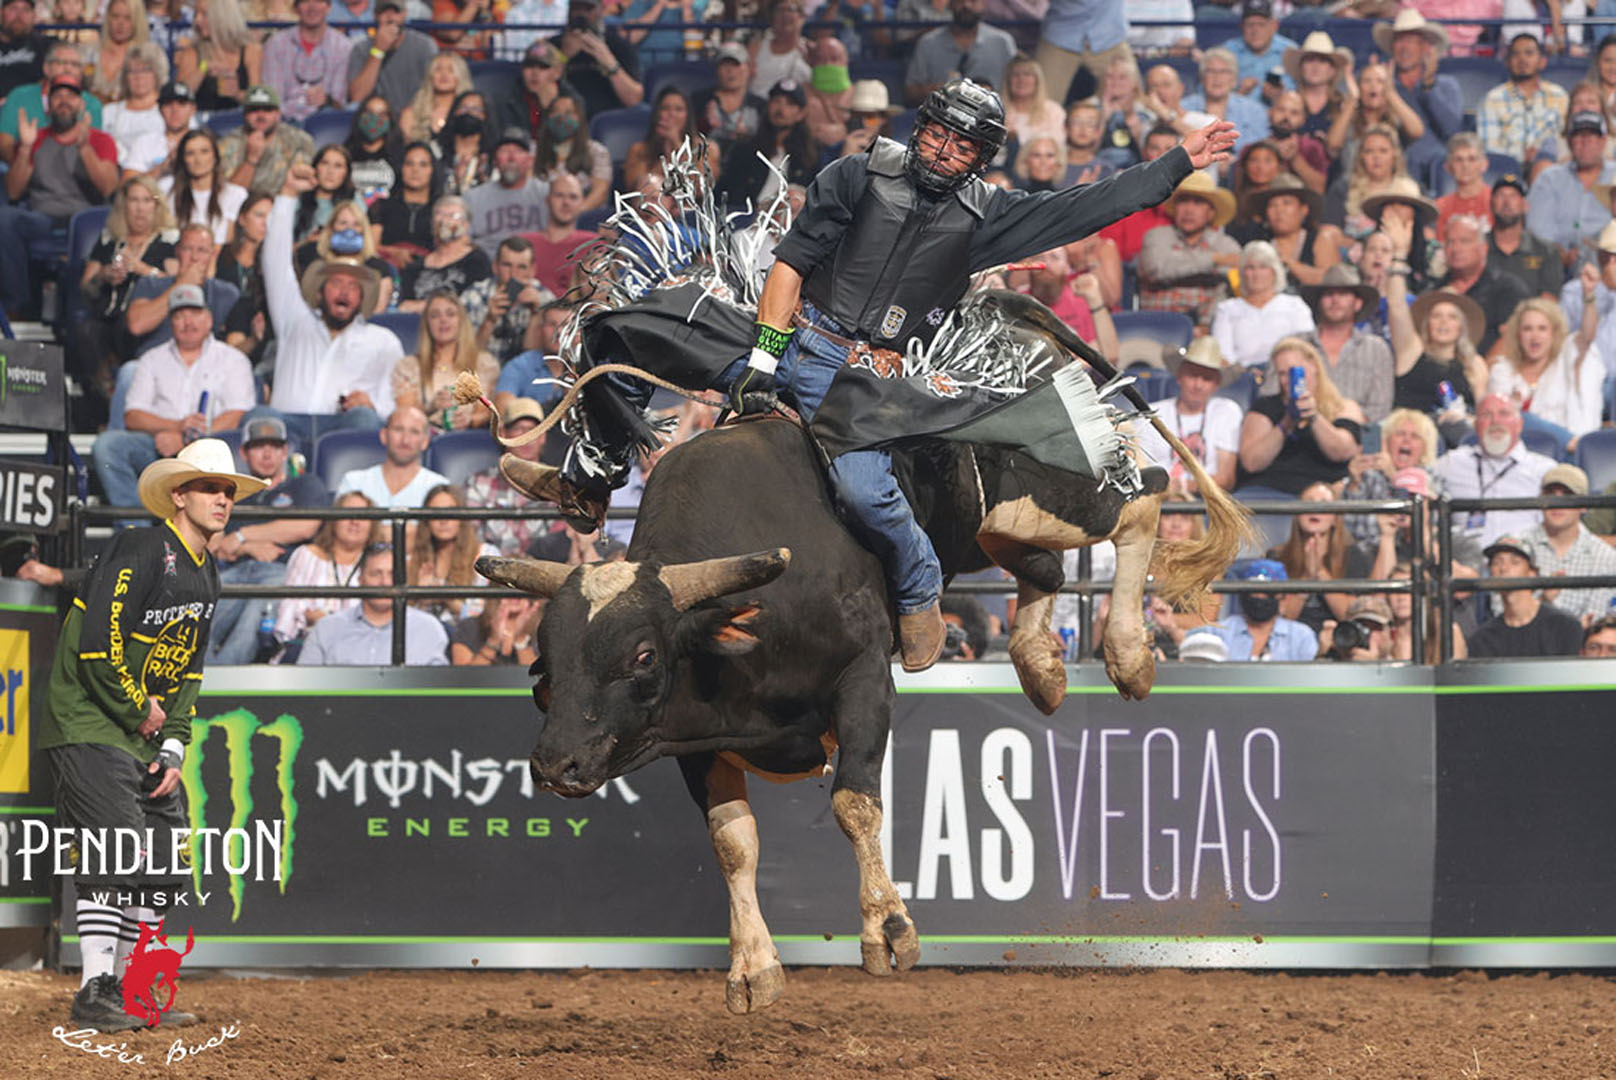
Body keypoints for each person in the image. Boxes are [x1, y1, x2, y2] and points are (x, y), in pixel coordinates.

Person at [542, 79, 1236, 672]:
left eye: (963, 147)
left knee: (866, 492)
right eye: (938, 135)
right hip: (787, 335)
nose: (944, 151)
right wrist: (762, 358)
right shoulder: (855, 174)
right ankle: (593, 474)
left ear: (981, 159)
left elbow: (1088, 205)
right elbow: (790, 266)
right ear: (920, 129)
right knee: (626, 328)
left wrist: (1176, 162)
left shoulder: (988, 217)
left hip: (863, 378)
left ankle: (920, 587)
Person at [41, 438, 262, 1033]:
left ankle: (133, 987)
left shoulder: (206, 574)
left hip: (140, 731)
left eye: (228, 491)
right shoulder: (141, 547)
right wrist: (140, 710)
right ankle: (95, 991)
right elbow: (98, 646)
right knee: (116, 846)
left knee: (163, 860)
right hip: (88, 718)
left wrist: (174, 745)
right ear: (179, 496)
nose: (222, 499)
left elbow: (188, 673)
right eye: (210, 488)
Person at [252, 161, 400, 449]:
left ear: (362, 298)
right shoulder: (294, 318)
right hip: (287, 427)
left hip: (342, 431)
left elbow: (396, 402)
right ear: (319, 292)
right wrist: (288, 194)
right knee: (259, 417)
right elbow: (275, 261)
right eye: (335, 283)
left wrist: (372, 405)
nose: (343, 292)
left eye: (353, 287)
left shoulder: (383, 341)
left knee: (366, 420)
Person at [93, 283, 256, 508]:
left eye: (195, 314)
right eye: (180, 316)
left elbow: (237, 414)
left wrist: (187, 440)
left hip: (212, 449)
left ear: (209, 319)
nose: (188, 322)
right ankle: (134, 522)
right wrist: (176, 427)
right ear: (171, 322)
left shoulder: (233, 360)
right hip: (159, 446)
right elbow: (133, 416)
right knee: (107, 446)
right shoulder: (151, 359)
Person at [204, 415, 330, 665]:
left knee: (249, 626)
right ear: (244, 452)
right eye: (258, 446)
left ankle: (216, 683)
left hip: (281, 572)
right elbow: (214, 544)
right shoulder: (232, 491)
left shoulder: (304, 483)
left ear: (285, 452)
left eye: (274, 446)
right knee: (201, 621)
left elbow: (305, 526)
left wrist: (240, 536)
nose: (267, 454)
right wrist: (250, 548)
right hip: (232, 572)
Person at [0, 72, 120, 321]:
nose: (64, 101)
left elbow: (109, 188)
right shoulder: (36, 138)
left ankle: (82, 311)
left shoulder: (100, 140)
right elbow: (13, 191)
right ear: (48, 105)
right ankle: (17, 306)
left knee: (94, 225)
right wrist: (25, 148)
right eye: (58, 96)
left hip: (85, 219)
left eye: (71, 96)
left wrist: (85, 148)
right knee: (4, 218)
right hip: (43, 218)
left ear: (81, 104)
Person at [70, 175, 180, 423]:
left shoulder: (168, 241)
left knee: (129, 326)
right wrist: (105, 275)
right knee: (87, 331)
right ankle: (108, 395)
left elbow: (177, 283)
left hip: (144, 320)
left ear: (156, 205)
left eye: (146, 201)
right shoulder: (109, 239)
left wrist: (144, 270)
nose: (140, 208)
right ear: (124, 205)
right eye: (134, 201)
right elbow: (86, 284)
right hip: (108, 317)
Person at [1236, 337, 1365, 525]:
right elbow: (1251, 462)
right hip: (1269, 492)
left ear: (1314, 366)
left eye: (1294, 371)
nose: (1288, 380)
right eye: (1282, 374)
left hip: (1323, 495)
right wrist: (1286, 423)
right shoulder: (1265, 407)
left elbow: (1344, 451)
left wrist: (1314, 417)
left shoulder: (1343, 407)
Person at [1436, 394, 1558, 547]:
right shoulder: (1451, 463)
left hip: (1525, 558)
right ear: (1476, 425)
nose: (1495, 421)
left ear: (1519, 424)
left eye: (1504, 414)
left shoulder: (1545, 469)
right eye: (1486, 415)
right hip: (1464, 559)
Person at [297, 541, 449, 664]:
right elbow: (303, 688)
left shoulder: (429, 629)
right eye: (376, 574)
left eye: (392, 574)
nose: (385, 582)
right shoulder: (326, 629)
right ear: (360, 580)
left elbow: (440, 690)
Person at [1489, 293, 1604, 449]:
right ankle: (1576, 444)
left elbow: (1587, 338)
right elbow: (1498, 419)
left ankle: (1575, 444)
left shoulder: (1566, 361)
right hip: (1520, 449)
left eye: (1542, 328)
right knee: (1520, 417)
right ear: (1518, 335)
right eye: (1527, 329)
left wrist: (1589, 297)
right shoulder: (1502, 370)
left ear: (1553, 334)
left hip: (1563, 450)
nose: (1534, 336)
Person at [1134, 336, 1242, 493]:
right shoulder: (1151, 414)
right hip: (1158, 498)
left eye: (1207, 378)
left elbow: (1226, 479)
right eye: (1192, 375)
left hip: (1206, 498)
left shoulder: (1226, 411)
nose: (1198, 385)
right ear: (1179, 376)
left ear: (1216, 384)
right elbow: (1140, 473)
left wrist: (1182, 487)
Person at [273, 489, 378, 651]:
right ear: (334, 520)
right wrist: (307, 616)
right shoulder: (306, 555)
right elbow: (289, 606)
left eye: (363, 516)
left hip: (359, 649)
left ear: (372, 526)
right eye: (348, 513)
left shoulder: (377, 566)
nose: (355, 521)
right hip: (308, 643)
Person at [1137, 170, 1241, 330]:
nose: (1189, 210)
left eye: (1198, 203)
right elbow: (1157, 269)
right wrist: (1213, 259)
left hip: (1205, 328)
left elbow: (1235, 277)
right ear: (1175, 208)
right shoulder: (1157, 236)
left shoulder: (1225, 244)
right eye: (1184, 201)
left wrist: (1207, 325)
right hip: (1156, 327)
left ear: (1211, 213)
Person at [1519, 463, 1616, 621]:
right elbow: (1502, 615)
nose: (1558, 502)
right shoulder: (1518, 547)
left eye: (1567, 494)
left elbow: (1595, 620)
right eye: (1550, 493)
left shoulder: (1606, 557)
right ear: (1540, 499)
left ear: (1584, 505)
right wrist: (1543, 600)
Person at [1300, 263, 1395, 423]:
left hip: (1358, 431)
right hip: (1302, 429)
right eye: (1329, 294)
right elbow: (1272, 397)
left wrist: (1347, 427)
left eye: (1343, 294)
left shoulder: (1376, 349)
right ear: (1319, 302)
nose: (1335, 300)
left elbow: (1380, 409)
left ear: (1358, 303)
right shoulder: (1297, 345)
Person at [1376, 9, 1462, 184]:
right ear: (1392, 47)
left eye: (1410, 41)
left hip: (1437, 169)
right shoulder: (1380, 84)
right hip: (1393, 167)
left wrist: (1428, 86)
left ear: (1425, 48)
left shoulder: (1446, 85)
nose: (1404, 48)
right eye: (1399, 40)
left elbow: (1451, 130)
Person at [394, 290, 499, 430]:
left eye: (450, 314)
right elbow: (404, 415)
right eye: (435, 315)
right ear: (427, 324)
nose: (443, 320)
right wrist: (430, 407)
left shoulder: (484, 363)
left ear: (461, 320)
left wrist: (470, 420)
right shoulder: (409, 366)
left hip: (468, 436)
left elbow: (489, 412)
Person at [1467, 534, 1584, 657]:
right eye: (1496, 562)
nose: (1504, 568)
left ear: (1532, 573)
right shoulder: (1482, 639)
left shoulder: (1564, 627)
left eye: (1514, 562)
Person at [1525, 110, 1613, 272]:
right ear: (1569, 142)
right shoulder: (1549, 179)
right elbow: (1538, 230)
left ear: (1603, 141)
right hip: (1557, 267)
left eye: (1591, 137)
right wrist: (1558, 254)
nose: (1584, 143)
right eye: (1578, 136)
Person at [1432, 214, 1532, 355]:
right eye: (1450, 242)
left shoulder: (1508, 289)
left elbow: (1511, 337)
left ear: (1483, 248)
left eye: (1464, 241)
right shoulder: (1434, 293)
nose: (1455, 249)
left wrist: (1481, 366)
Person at [1210, 240, 1316, 374]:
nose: (1256, 274)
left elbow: (1305, 347)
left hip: (1284, 374)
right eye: (1250, 268)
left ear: (1275, 271)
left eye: (1263, 267)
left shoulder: (1295, 306)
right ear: (1242, 273)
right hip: (1240, 377)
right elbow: (1223, 354)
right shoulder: (1227, 309)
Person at [464, 397, 552, 556]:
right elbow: (468, 538)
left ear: (543, 437)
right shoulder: (478, 483)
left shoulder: (557, 484)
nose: (526, 437)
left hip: (544, 566)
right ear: (503, 434)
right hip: (490, 567)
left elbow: (563, 539)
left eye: (533, 430)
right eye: (518, 429)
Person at [0, 40, 105, 168]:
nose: (68, 69)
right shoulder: (20, 96)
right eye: (61, 63)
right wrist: (26, 168)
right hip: (23, 168)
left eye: (75, 65)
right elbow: (4, 143)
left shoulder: (92, 104)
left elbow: (94, 149)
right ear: (46, 68)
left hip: (73, 172)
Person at [717, 78, 819, 208]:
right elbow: (726, 194)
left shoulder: (809, 158)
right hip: (746, 216)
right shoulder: (744, 150)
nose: (781, 109)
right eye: (777, 101)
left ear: (801, 114)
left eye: (790, 104)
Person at [1268, 480, 1354, 634]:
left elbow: (1349, 615)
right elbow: (1282, 618)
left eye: (1323, 503)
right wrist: (1307, 577)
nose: (1315, 508)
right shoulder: (1276, 557)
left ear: (1335, 518)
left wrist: (1320, 572)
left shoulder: (1353, 555)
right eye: (1309, 502)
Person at [1478, 32, 1569, 176]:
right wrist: (1522, 155)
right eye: (1516, 54)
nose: (1522, 59)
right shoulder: (1493, 99)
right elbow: (1489, 149)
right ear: (1507, 62)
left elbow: (1568, 140)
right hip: (1508, 173)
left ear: (1542, 61)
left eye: (1529, 53)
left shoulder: (1559, 95)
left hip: (1553, 170)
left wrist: (1543, 156)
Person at [408, 482, 495, 626]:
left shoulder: (485, 555)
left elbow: (485, 619)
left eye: (450, 511)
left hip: (466, 636)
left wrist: (449, 600)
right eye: (436, 513)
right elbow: (404, 620)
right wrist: (422, 600)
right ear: (427, 520)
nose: (443, 520)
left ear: (462, 518)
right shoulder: (413, 559)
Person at [1239, 173, 1343, 289]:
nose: (1279, 210)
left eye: (1286, 203)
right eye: (1272, 205)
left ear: (1303, 210)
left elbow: (1332, 281)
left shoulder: (1320, 239)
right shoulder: (1259, 242)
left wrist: (1290, 263)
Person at [905, 0, 1016, 107]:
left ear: (984, 3)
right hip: (943, 115)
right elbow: (911, 92)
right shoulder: (928, 43)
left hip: (994, 115)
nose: (966, 5)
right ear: (950, 3)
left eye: (973, 0)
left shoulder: (1003, 42)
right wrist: (943, 90)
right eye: (959, 0)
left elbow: (1019, 87)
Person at [335, 404, 449, 507]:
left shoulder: (439, 488)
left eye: (414, 432)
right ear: (384, 435)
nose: (405, 440)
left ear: (425, 442)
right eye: (398, 430)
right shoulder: (354, 483)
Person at [1211, 558, 1319, 661]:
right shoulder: (1218, 633)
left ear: (1281, 596)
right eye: (1254, 592)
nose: (1259, 597)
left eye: (1267, 593)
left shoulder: (1301, 636)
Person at [465, 236, 553, 364]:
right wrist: (489, 321)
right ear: (495, 267)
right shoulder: (473, 297)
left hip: (525, 373)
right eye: (507, 265)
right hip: (482, 371)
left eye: (521, 267)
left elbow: (536, 363)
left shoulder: (546, 300)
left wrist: (536, 315)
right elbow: (467, 358)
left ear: (533, 270)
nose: (513, 274)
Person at [396, 194, 492, 309]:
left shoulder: (477, 260)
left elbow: (475, 302)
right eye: (440, 215)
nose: (445, 221)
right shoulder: (415, 267)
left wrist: (425, 306)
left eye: (453, 216)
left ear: (466, 224)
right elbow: (404, 306)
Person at [465, 127, 549, 259]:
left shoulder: (546, 193)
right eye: (504, 151)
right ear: (495, 160)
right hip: (488, 267)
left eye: (518, 151)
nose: (511, 158)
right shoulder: (473, 198)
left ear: (530, 160)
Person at [261, 0, 351, 121]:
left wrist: (327, 99)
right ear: (295, 9)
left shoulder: (343, 46)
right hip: (284, 120)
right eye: (305, 1)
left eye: (318, 1)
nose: (312, 7)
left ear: (329, 8)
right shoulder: (275, 44)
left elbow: (339, 102)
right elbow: (273, 98)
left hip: (324, 120)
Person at [551, 0, 644, 117]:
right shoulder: (553, 45)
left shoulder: (619, 45)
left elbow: (634, 99)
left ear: (600, 10)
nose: (581, 14)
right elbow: (538, 86)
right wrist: (563, 56)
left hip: (608, 119)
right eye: (576, 8)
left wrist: (609, 62)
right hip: (565, 118)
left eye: (588, 9)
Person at [218, 84, 316, 196]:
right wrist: (251, 159)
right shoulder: (227, 144)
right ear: (245, 114)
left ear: (278, 114)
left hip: (284, 201)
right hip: (242, 205)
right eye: (254, 110)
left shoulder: (299, 141)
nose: (261, 115)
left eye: (267, 109)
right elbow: (230, 197)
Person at [345, 0, 436, 117]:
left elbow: (434, 90)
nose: (390, 17)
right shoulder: (361, 48)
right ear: (375, 15)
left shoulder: (424, 45)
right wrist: (378, 50)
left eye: (396, 12)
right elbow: (358, 96)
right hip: (378, 117)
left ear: (405, 14)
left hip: (416, 115)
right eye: (384, 12)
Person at [162, 128, 249, 245]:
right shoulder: (168, 192)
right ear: (183, 159)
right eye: (190, 153)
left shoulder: (236, 195)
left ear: (215, 156)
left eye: (204, 151)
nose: (198, 160)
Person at [173, 0, 263, 112]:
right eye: (196, 14)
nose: (197, 20)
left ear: (222, 16)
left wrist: (236, 94)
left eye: (204, 14)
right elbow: (179, 97)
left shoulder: (251, 50)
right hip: (203, 117)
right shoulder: (192, 53)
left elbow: (258, 100)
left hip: (239, 118)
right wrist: (203, 68)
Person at [625, 87, 720, 192]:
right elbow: (638, 191)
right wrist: (666, 156)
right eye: (665, 108)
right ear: (657, 114)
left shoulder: (706, 149)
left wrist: (677, 144)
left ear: (688, 115)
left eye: (679, 109)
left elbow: (701, 190)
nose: (672, 114)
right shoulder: (638, 150)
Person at [1182, 48, 1269, 161]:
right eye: (1210, 71)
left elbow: (1262, 150)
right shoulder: (1184, 107)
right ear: (1202, 78)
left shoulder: (1254, 110)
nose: (1217, 77)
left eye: (1224, 72)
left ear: (1234, 79)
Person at [520, 172, 596, 298]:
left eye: (573, 197)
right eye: (559, 195)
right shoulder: (524, 243)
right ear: (548, 200)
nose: (566, 202)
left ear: (582, 202)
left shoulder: (594, 245)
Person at [1489, 172, 1565, 299]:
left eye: (1513, 196)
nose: (1507, 202)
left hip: (1531, 311)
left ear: (1525, 206)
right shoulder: (1477, 247)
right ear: (1491, 204)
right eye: (1500, 196)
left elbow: (1549, 300)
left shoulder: (1546, 251)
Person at [532, 93, 611, 212]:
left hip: (582, 215)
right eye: (556, 112)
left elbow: (600, 191)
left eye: (568, 112)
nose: (561, 117)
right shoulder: (533, 150)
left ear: (579, 118)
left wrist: (572, 215)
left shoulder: (597, 151)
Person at [371, 140, 439, 268]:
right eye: (409, 163)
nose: (415, 170)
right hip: (386, 269)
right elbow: (370, 248)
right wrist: (394, 252)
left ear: (432, 170)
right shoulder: (381, 206)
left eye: (423, 164)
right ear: (401, 168)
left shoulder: (440, 209)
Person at [695, 41, 766, 155]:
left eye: (736, 64)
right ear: (716, 69)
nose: (730, 71)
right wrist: (704, 125)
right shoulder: (698, 101)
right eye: (725, 65)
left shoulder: (761, 106)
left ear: (748, 68)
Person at [1223, 0, 1295, 98]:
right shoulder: (1227, 51)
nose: (1255, 31)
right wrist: (1239, 92)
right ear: (1241, 26)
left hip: (1278, 106)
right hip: (1238, 105)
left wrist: (1280, 95)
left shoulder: (1290, 51)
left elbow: (1300, 91)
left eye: (1261, 25)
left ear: (1274, 26)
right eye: (1250, 25)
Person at [1000, 52, 1064, 155]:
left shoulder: (1053, 111)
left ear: (1037, 80)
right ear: (1008, 81)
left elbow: (1057, 149)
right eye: (1016, 75)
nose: (1021, 80)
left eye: (1027, 74)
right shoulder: (999, 111)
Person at [85, 0, 147, 105]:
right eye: (115, 16)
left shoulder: (145, 55)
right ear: (108, 18)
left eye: (127, 18)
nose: (120, 23)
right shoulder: (89, 51)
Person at [450, 595, 542, 665]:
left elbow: (537, 678)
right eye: (506, 587)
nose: (514, 594)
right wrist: (493, 642)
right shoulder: (469, 626)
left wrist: (520, 640)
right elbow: (463, 678)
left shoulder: (541, 629)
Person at [747, 0, 810, 100]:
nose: (785, 15)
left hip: (797, 106)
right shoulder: (756, 48)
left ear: (801, 17)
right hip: (758, 104)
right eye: (779, 10)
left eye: (790, 9)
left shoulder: (812, 50)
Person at [0, 0, 52, 102]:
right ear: (1, 12)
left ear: (34, 16)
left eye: (26, 10)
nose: (19, 15)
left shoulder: (47, 45)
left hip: (33, 105)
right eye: (13, 8)